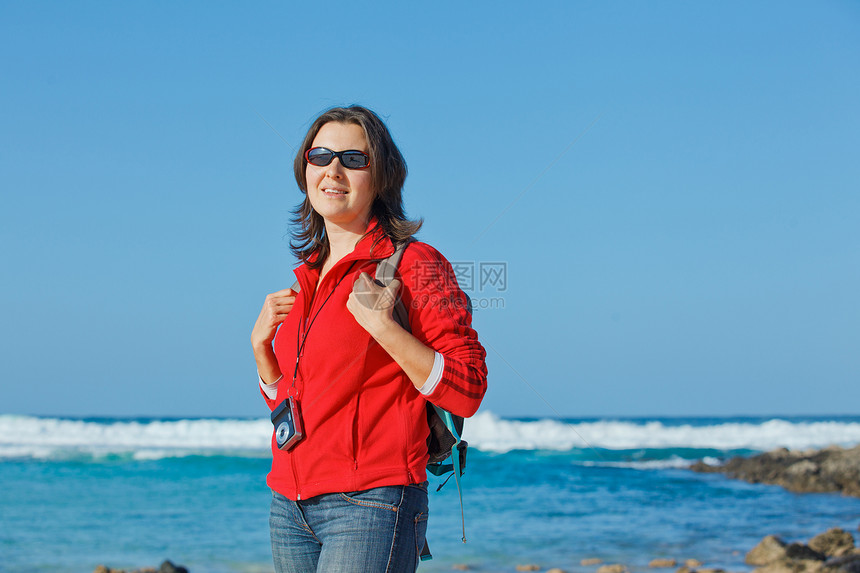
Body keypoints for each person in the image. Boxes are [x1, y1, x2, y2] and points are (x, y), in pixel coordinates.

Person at [251, 105, 488, 573]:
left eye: (353, 160)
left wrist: (384, 328)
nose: (333, 170)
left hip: (372, 504)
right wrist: (264, 356)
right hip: (289, 507)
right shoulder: (306, 280)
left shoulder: (417, 264)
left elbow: (468, 387)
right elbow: (306, 408)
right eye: (320, 156)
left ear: (380, 178)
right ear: (305, 170)